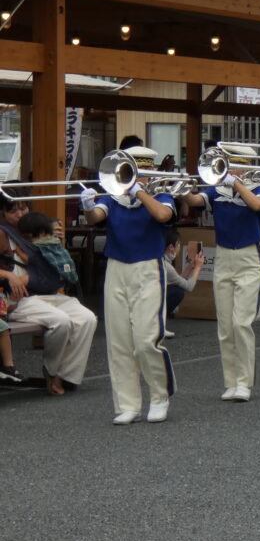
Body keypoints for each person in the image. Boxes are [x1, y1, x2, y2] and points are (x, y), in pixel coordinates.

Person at [81, 146, 176, 424]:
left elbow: (162, 216)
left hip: (148, 268)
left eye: (138, 173)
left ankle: (159, 396)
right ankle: (127, 403)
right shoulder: (113, 198)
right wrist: (88, 205)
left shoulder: (161, 195)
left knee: (147, 339)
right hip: (117, 268)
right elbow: (95, 218)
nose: (133, 179)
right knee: (119, 339)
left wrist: (140, 192)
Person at [181, 144, 260, 402]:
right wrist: (183, 190)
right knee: (225, 324)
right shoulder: (217, 189)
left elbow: (258, 206)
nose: (231, 169)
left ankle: (244, 382)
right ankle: (230, 381)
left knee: (242, 322)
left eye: (237, 164)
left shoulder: (258, 186)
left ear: (248, 166)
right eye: (229, 164)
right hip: (223, 255)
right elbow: (197, 202)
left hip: (250, 255)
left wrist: (237, 184)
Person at [2, 201, 98, 395]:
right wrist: (9, 275)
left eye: (23, 209)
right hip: (23, 299)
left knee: (88, 318)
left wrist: (55, 241)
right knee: (60, 321)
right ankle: (52, 371)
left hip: (49, 293)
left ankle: (64, 375)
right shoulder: (4, 234)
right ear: (2, 214)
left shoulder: (38, 229)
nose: (20, 214)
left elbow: (56, 263)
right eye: (13, 211)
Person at [163, 229, 205, 320]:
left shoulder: (163, 260)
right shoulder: (167, 266)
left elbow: (176, 280)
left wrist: (190, 267)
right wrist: (198, 267)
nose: (179, 247)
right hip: (153, 301)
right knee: (178, 292)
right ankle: (160, 321)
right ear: (171, 247)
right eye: (178, 245)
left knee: (177, 288)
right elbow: (189, 286)